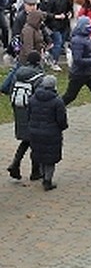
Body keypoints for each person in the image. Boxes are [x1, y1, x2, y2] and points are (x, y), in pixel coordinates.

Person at [3, 54, 46, 182]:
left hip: (19, 110)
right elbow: (40, 97)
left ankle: (15, 165)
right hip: (33, 112)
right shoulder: (39, 76)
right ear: (38, 61)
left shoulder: (18, 73)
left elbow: (9, 90)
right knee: (36, 140)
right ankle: (35, 171)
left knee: (27, 139)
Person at [26, 71, 67, 191]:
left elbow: (28, 115)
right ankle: (47, 180)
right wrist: (62, 127)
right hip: (51, 132)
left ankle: (43, 174)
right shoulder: (57, 101)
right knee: (50, 157)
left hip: (35, 132)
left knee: (40, 154)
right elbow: (61, 119)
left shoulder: (33, 98)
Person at [61, 16, 91, 106]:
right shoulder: (77, 40)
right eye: (88, 25)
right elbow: (78, 60)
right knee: (70, 96)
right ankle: (56, 107)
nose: (90, 27)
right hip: (79, 74)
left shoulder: (87, 37)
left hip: (90, 72)